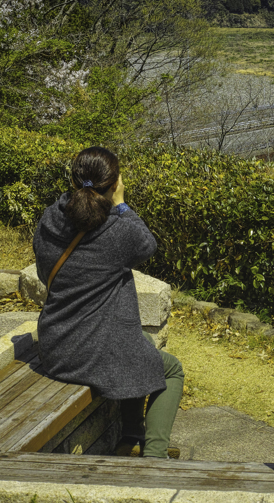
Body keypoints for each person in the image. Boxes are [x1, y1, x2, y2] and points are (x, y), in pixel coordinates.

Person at [33, 146, 184, 458]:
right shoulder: (117, 228)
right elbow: (147, 245)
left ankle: (130, 437)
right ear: (115, 184)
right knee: (170, 371)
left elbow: (43, 271)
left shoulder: (49, 219)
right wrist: (122, 205)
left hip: (56, 348)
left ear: (74, 181)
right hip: (95, 354)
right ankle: (154, 458)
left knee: (136, 343)